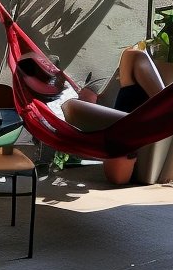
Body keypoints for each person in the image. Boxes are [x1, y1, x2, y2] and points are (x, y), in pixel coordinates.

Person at [61, 45, 166, 185]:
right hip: (134, 127)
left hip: (128, 130)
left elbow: (118, 177)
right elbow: (118, 177)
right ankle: (170, 105)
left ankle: (169, 105)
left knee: (71, 107)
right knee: (131, 55)